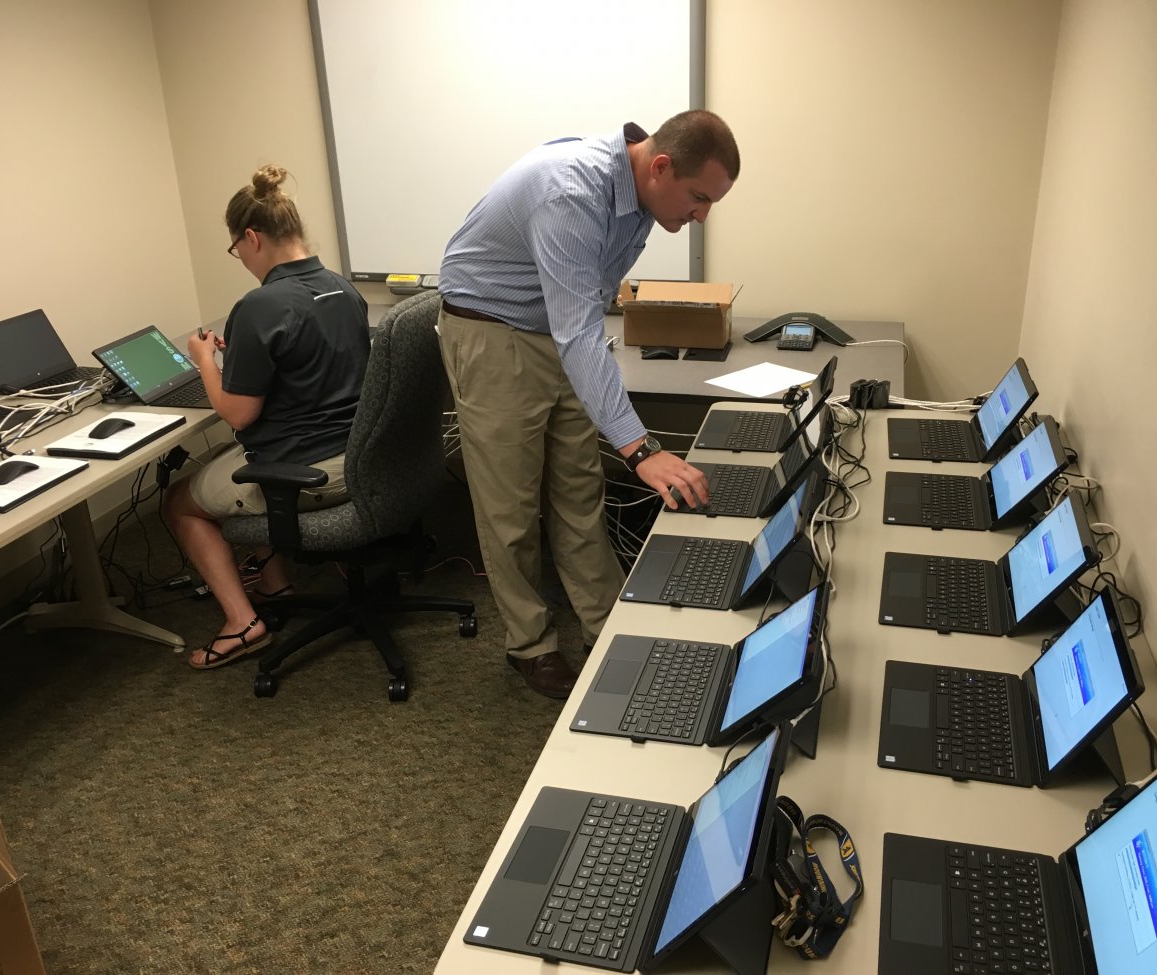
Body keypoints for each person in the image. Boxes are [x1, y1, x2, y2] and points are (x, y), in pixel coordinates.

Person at [437, 110, 739, 699]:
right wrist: (641, 448)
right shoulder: (570, 191)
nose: (702, 216)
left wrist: (621, 428)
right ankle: (530, 644)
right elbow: (578, 331)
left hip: (553, 331)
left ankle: (607, 625)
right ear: (659, 167)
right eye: (700, 198)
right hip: (493, 332)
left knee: (579, 490)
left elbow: (582, 312)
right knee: (511, 506)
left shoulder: (644, 200)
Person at [166, 165, 371, 670]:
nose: (241, 261)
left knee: (179, 501)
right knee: (229, 458)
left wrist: (205, 361)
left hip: (311, 473)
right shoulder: (343, 289)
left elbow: (236, 410)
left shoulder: (260, 305)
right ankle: (275, 582)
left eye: (237, 250)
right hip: (364, 457)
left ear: (251, 238)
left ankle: (242, 621)